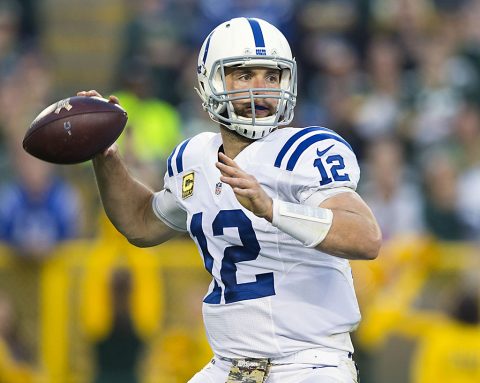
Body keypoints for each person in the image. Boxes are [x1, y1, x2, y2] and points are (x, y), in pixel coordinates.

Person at [78, 17, 381, 383]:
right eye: (244, 75)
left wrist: (273, 210)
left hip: (307, 362)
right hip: (229, 365)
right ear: (210, 83)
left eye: (272, 76)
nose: (262, 89)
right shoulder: (193, 158)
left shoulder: (305, 151)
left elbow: (366, 237)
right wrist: (105, 155)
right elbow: (141, 222)